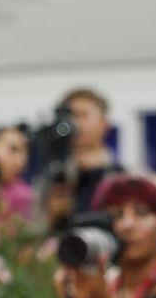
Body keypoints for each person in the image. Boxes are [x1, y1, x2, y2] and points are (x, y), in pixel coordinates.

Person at [41, 87, 121, 226]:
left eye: (83, 115)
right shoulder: (52, 177)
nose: (75, 123)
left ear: (104, 124)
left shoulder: (121, 176)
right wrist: (51, 217)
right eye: (70, 116)